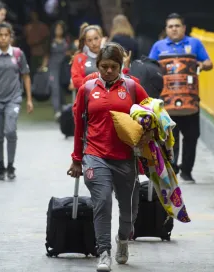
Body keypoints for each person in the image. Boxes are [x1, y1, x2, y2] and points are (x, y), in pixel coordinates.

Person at [67, 42, 151, 271]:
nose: (108, 71)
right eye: (104, 66)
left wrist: (148, 142)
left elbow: (151, 117)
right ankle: (103, 252)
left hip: (126, 158)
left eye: (113, 66)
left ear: (121, 65)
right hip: (95, 155)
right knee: (102, 202)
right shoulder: (87, 89)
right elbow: (78, 126)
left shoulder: (133, 88)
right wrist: (76, 158)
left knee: (130, 210)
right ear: (98, 65)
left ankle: (123, 239)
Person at [148, 13, 213, 183]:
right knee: (170, 138)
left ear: (184, 28)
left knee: (192, 136)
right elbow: (150, 68)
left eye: (177, 26)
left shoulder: (194, 44)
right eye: (170, 26)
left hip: (190, 100)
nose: (174, 29)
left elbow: (209, 63)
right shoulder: (158, 46)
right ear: (166, 29)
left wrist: (201, 64)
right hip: (167, 102)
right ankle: (173, 168)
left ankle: (187, 170)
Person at [0, 22, 33, 181]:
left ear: (11, 37)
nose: (3, 38)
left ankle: (11, 165)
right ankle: (1, 166)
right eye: (0, 35)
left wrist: (29, 99)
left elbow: (25, 75)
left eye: (6, 35)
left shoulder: (17, 54)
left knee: (10, 131)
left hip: (13, 98)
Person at [41, 20, 71, 120]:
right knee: (54, 88)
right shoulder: (50, 41)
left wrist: (69, 54)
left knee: (61, 88)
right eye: (57, 29)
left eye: (60, 29)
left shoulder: (67, 40)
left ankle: (63, 107)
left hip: (63, 67)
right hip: (52, 67)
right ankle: (57, 110)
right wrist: (43, 67)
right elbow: (47, 54)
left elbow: (72, 52)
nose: (58, 31)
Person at [70, 23, 103, 90]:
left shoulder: (110, 55)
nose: (93, 43)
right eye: (89, 40)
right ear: (85, 42)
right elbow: (76, 81)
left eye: (96, 38)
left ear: (101, 38)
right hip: (88, 96)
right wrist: (95, 86)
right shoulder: (79, 58)